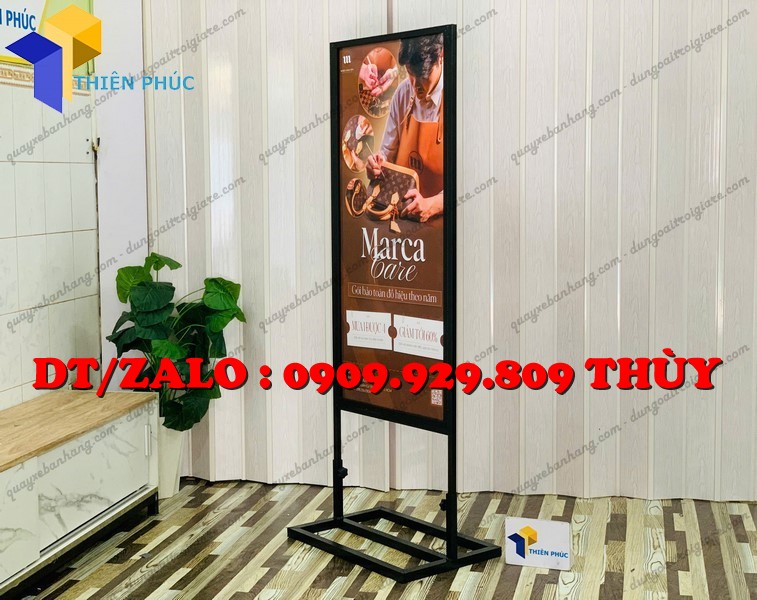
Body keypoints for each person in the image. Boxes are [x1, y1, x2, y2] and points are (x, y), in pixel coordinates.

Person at [367, 34, 444, 223]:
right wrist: (377, 166)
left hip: (440, 224)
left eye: (423, 76)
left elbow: (467, 183)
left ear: (441, 56)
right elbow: (387, 154)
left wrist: (433, 204)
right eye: (410, 73)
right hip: (400, 216)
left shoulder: (458, 98)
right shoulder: (403, 93)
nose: (415, 85)